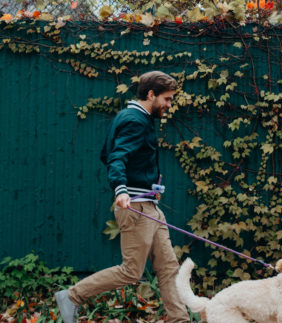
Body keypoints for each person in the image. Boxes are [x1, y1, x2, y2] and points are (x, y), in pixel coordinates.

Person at [55, 71, 190, 323]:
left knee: (168, 267)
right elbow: (116, 157)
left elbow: (106, 153)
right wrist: (122, 189)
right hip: (137, 205)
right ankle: (72, 296)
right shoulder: (134, 120)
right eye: (167, 99)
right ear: (151, 94)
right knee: (131, 272)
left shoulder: (134, 117)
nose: (169, 105)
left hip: (149, 203)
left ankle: (179, 319)